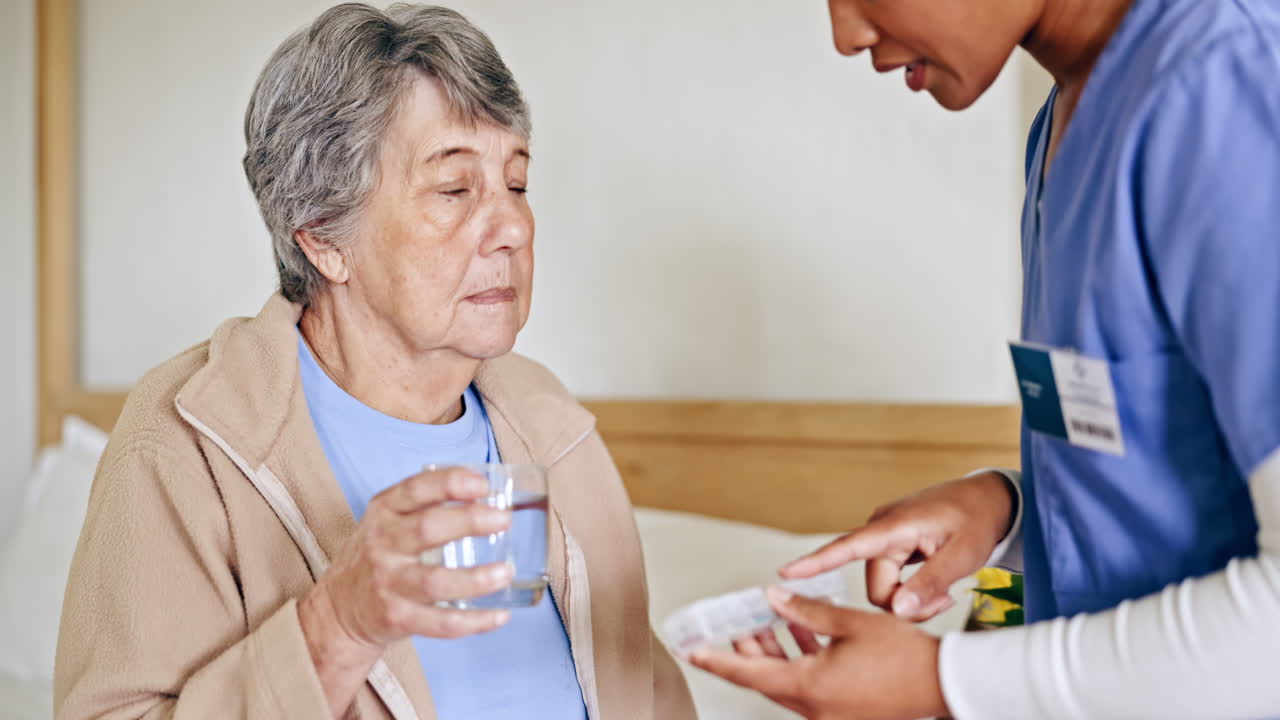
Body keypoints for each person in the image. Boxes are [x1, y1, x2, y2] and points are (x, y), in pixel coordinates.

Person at [53, 5, 695, 719]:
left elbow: (635, 685)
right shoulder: (187, 441)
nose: (514, 226)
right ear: (324, 239)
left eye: (516, 183)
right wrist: (336, 627)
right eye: (454, 189)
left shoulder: (546, 419)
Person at [691, 0, 1280, 717]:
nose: (845, 35)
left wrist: (943, 681)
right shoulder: (1064, 124)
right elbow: (1162, 493)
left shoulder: (1231, 86)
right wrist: (1005, 512)